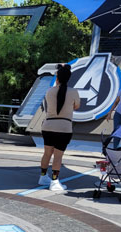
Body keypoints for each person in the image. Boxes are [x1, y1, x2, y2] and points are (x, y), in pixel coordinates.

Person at [38, 64, 81, 192]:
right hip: (64, 127)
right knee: (58, 156)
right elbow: (77, 106)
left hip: (48, 125)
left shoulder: (49, 91)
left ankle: (42, 176)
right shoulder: (74, 92)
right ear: (69, 78)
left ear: (57, 78)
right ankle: (55, 181)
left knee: (47, 153)